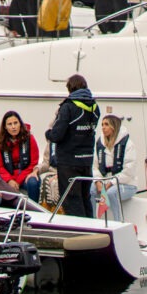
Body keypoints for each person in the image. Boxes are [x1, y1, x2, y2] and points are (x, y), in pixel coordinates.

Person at [46, 74, 100, 217]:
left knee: (72, 200)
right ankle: (91, 227)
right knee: (85, 198)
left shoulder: (68, 107)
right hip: (86, 161)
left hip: (69, 162)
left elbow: (57, 135)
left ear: (70, 88)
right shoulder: (95, 107)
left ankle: (80, 228)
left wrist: (48, 134)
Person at [92, 115, 138, 222]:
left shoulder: (128, 144)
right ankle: (92, 221)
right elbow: (94, 166)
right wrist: (98, 181)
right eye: (102, 125)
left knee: (111, 193)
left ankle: (118, 222)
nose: (103, 127)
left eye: (106, 124)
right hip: (105, 182)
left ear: (114, 127)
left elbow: (129, 171)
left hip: (127, 184)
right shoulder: (99, 144)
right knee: (90, 191)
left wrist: (111, 183)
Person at [0, 110, 41, 202]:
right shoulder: (0, 143)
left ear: (20, 124)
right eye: (10, 124)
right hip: (9, 176)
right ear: (5, 127)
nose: (13, 127)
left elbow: (33, 163)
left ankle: (34, 208)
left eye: (15, 123)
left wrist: (18, 181)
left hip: (25, 175)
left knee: (33, 182)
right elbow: (0, 166)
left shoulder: (29, 138)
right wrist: (9, 180)